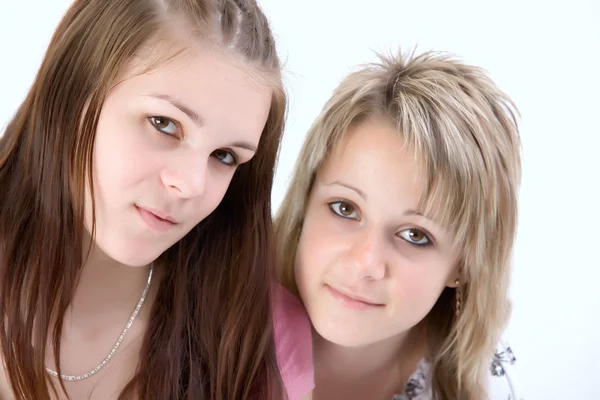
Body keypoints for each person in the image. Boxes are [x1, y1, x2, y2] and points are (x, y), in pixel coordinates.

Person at [0, 0, 313, 399]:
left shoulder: (258, 339)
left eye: (224, 156)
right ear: (74, 91)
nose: (191, 184)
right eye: (164, 125)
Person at [275, 49, 523, 399]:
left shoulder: (474, 384)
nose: (366, 263)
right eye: (345, 208)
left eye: (415, 235)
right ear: (306, 201)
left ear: (464, 264)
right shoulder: (209, 307)